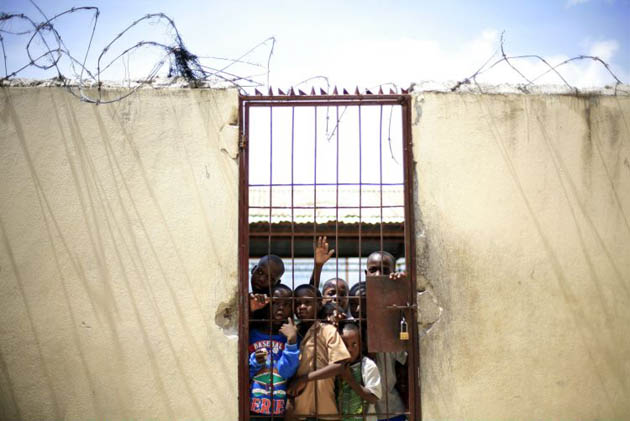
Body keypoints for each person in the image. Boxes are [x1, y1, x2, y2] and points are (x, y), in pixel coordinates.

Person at [286, 284, 351, 420]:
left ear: (319, 304)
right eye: (297, 303)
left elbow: (339, 365)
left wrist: (305, 379)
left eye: (308, 302)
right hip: (298, 410)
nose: (302, 307)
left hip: (326, 410)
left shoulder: (327, 330)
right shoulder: (292, 333)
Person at [365, 251, 408, 421]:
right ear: (366, 273)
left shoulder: (395, 312)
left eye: (385, 270)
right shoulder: (358, 306)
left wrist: (402, 290)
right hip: (360, 407)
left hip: (391, 407)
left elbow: (404, 355)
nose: (378, 275)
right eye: (373, 269)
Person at [249, 284, 299, 420]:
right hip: (253, 410)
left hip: (279, 411)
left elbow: (286, 372)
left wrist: (292, 341)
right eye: (276, 303)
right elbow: (243, 372)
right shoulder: (252, 334)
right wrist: (255, 361)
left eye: (287, 304)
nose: (281, 307)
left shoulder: (290, 337)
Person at [335, 321, 382, 421]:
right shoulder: (335, 366)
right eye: (345, 345)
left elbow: (373, 397)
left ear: (361, 345)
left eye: (354, 344)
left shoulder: (368, 366)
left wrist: (349, 378)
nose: (350, 349)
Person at [249, 254, 285, 319]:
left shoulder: (276, 307)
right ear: (253, 269)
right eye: (260, 272)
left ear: (277, 283)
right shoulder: (242, 299)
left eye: (270, 278)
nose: (261, 279)